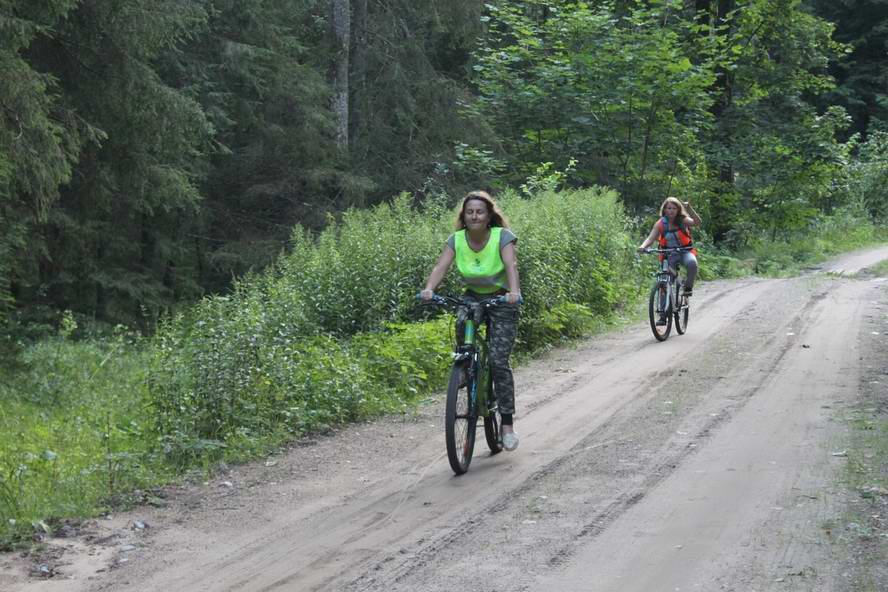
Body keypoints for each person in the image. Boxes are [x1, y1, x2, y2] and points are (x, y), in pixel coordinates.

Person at [420, 190, 523, 451]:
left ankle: (507, 424)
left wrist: (514, 293)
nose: (474, 215)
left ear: (489, 216)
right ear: (463, 217)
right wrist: (429, 288)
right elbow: (440, 266)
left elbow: (511, 266)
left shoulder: (502, 237)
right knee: (461, 324)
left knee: (499, 361)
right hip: (473, 297)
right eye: (469, 212)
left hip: (502, 299)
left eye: (479, 211)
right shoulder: (456, 240)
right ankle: (467, 371)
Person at [637, 197, 702, 325]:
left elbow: (697, 222)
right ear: (664, 210)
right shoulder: (661, 224)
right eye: (668, 208)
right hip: (669, 255)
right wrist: (643, 247)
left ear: (678, 210)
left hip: (685, 251)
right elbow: (651, 238)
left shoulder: (682, 220)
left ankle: (688, 287)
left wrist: (689, 208)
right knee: (664, 282)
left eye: (674, 208)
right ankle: (662, 315)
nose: (671, 211)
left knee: (692, 263)